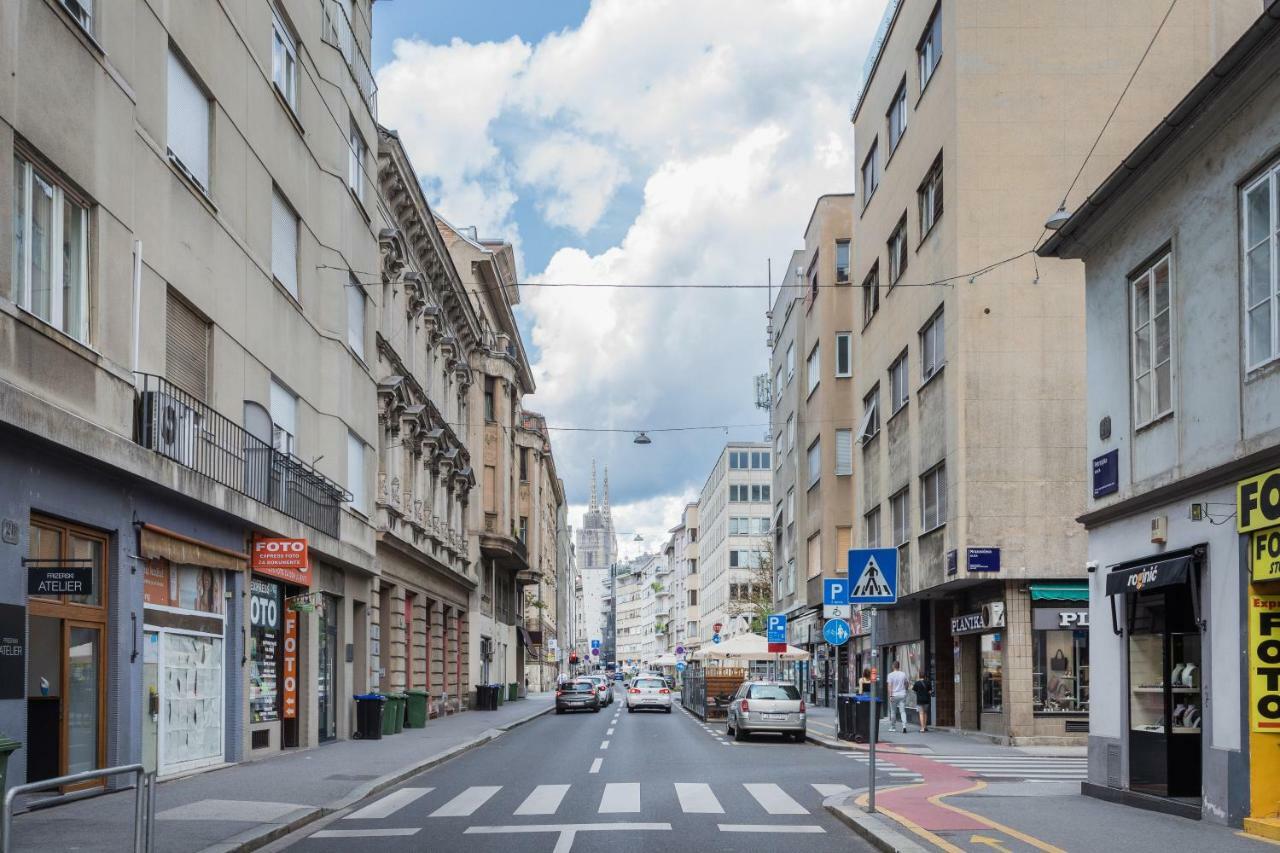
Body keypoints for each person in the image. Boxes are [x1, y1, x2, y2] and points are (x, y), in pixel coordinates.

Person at [886, 661, 909, 733]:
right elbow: (906, 683)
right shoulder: (903, 674)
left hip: (894, 695)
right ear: (899, 666)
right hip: (902, 694)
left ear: (893, 666)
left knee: (893, 711)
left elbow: (889, 686)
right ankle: (904, 726)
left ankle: (893, 727)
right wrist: (905, 689)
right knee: (902, 711)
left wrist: (890, 695)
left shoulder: (890, 675)